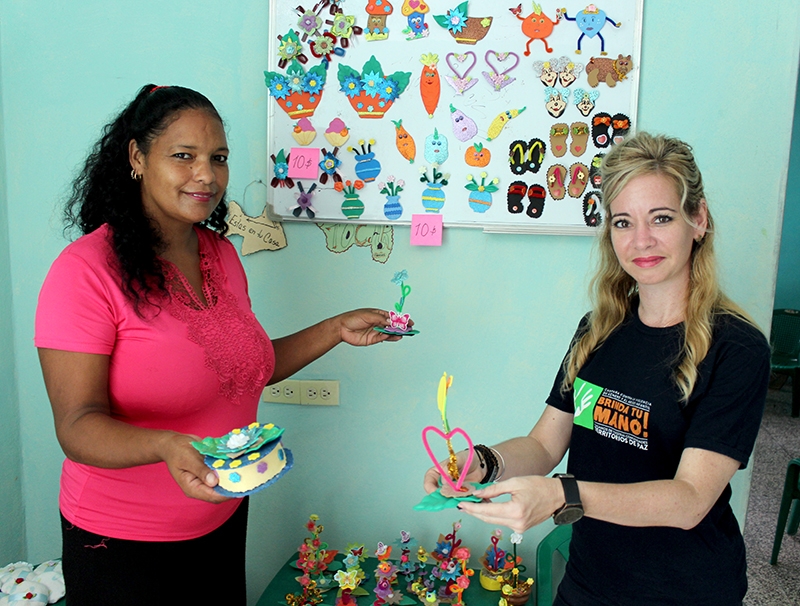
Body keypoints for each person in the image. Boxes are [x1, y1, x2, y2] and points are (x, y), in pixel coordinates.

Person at [35, 84, 405, 606]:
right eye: (183, 156)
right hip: (122, 541)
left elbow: (241, 368)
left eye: (218, 158)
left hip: (222, 516)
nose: (205, 174)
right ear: (137, 157)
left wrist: (334, 329)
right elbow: (76, 426)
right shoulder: (85, 272)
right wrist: (164, 445)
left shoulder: (220, 255)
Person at [424, 132, 770, 605]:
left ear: (699, 219)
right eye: (624, 222)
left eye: (661, 218)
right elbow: (544, 444)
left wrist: (561, 495)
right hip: (589, 582)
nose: (641, 240)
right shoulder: (598, 330)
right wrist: (481, 463)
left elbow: (689, 499)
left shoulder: (738, 348)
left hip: (684, 590)